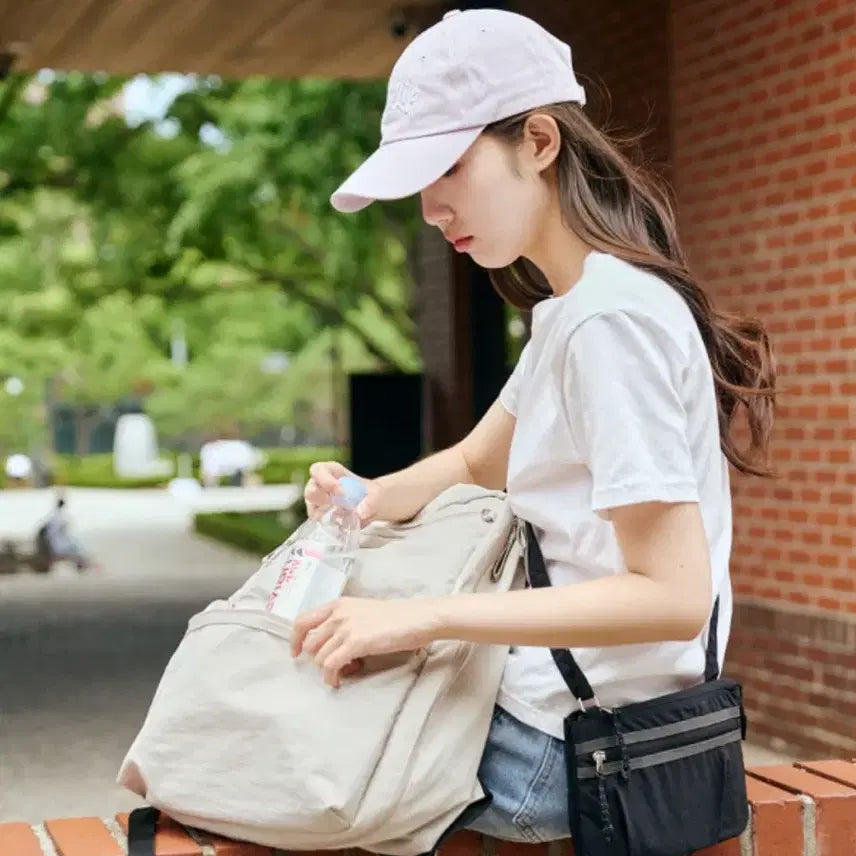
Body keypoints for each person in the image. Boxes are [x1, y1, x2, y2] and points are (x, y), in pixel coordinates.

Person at [292, 8, 776, 844]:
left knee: (285, 741)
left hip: (568, 748)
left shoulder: (608, 321)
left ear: (540, 142)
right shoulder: (571, 313)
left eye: (446, 168)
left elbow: (673, 595)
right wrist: (365, 498)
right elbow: (482, 457)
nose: (432, 208)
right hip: (554, 721)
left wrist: (422, 617)